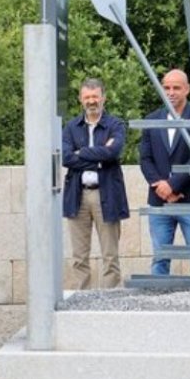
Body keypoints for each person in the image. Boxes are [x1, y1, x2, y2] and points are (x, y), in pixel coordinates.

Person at [138, 69, 190, 277]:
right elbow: (145, 158)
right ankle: (157, 302)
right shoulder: (151, 119)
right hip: (159, 200)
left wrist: (173, 185)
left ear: (187, 89)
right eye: (167, 87)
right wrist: (161, 186)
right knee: (160, 259)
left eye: (176, 87)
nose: (171, 92)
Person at [61, 79, 129, 289]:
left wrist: (81, 153)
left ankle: (110, 299)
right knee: (79, 255)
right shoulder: (71, 127)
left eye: (95, 96)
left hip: (106, 194)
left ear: (103, 98)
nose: (92, 101)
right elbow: (65, 158)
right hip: (77, 195)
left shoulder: (115, 125)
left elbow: (113, 152)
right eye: (87, 97)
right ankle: (83, 297)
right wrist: (100, 156)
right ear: (81, 99)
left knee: (110, 254)